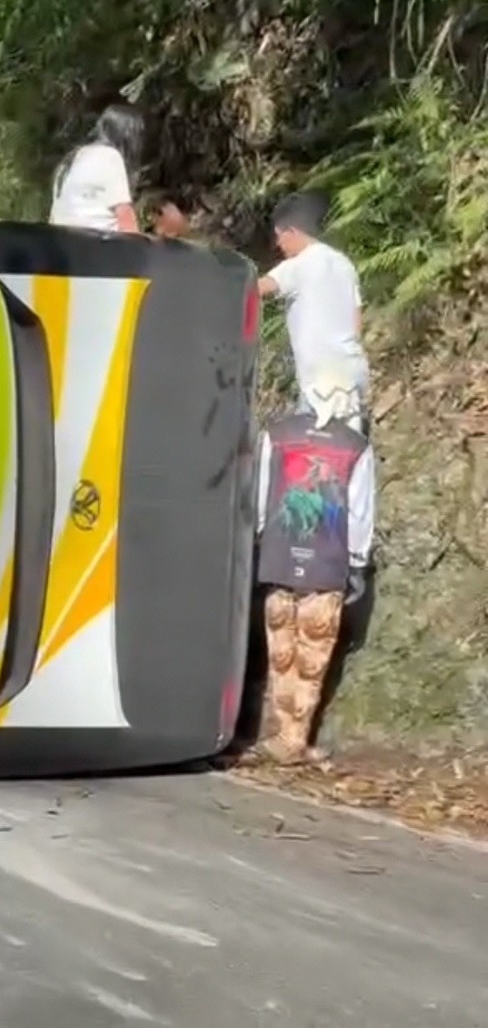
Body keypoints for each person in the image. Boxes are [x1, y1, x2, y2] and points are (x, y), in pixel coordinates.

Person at [254, 366, 375, 764]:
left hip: (278, 558)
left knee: (281, 652)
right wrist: (357, 562)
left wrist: (261, 539)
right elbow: (359, 513)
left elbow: (260, 498)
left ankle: (281, 736)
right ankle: (294, 739)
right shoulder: (355, 446)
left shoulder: (276, 434)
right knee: (312, 659)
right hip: (327, 566)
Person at [257, 192, 369, 421]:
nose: (278, 245)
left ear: (292, 232)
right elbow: (356, 321)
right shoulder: (344, 263)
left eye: (279, 237)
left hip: (323, 384)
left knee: (320, 452)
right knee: (349, 447)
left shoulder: (299, 265)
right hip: (353, 372)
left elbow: (256, 289)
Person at [49, 103, 144, 233]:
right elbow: (125, 217)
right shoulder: (111, 157)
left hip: (63, 243)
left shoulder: (70, 159)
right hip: (98, 245)